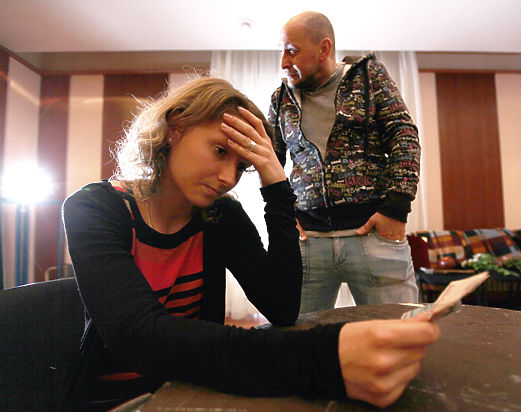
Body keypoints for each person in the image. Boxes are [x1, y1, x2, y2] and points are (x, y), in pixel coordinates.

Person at [62, 77, 440, 410]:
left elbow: (282, 306)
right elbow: (140, 336)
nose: (229, 178)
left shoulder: (219, 216)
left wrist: (276, 184)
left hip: (197, 387)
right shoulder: (95, 208)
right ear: (175, 128)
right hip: (115, 400)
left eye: (242, 167)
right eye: (219, 151)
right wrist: (323, 357)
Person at [268, 11, 421, 314]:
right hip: (307, 242)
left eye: (292, 51)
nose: (284, 62)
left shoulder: (369, 77)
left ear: (323, 48)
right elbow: (269, 160)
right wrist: (282, 218)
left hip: (372, 235)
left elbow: (403, 135)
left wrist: (396, 207)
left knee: (399, 330)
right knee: (296, 334)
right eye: (282, 52)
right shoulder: (280, 98)